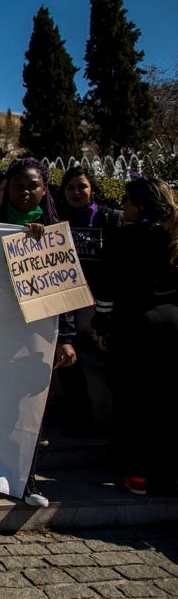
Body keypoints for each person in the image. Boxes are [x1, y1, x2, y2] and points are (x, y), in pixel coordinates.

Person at [0, 157, 78, 508]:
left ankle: (26, 480)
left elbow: (66, 290)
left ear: (43, 189)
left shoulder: (55, 230)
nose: (24, 191)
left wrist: (66, 338)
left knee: (31, 409)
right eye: (17, 185)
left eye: (32, 185)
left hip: (38, 334)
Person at [93, 177, 178, 496]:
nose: (122, 207)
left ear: (140, 205)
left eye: (127, 200)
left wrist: (102, 326)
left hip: (137, 328)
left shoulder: (126, 237)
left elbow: (108, 286)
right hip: (174, 326)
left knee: (134, 400)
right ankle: (171, 474)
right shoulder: (173, 234)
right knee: (169, 401)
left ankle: (137, 474)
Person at [53, 167, 124, 436]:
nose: (75, 192)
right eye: (70, 187)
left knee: (103, 358)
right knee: (69, 363)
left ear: (92, 188)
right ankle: (79, 417)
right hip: (69, 301)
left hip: (101, 303)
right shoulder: (57, 219)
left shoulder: (110, 218)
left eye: (81, 186)